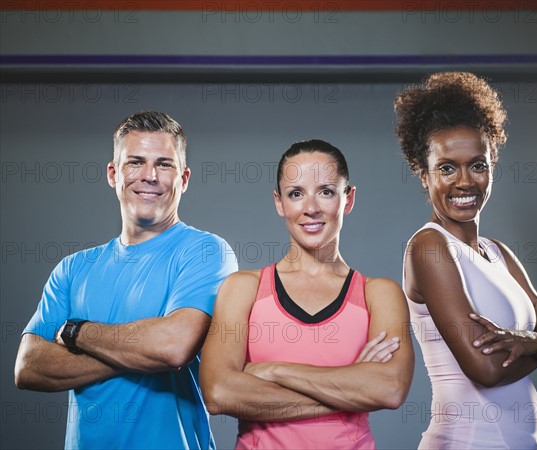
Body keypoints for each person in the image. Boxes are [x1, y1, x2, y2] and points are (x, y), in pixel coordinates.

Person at [14, 111, 238, 449]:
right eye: (135, 162)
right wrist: (140, 350)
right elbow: (29, 368)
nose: (149, 176)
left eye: (164, 164)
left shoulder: (206, 252)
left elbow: (174, 347)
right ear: (113, 173)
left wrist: (77, 332)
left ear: (185, 178)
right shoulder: (73, 268)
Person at [394, 72, 537, 449]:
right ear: (422, 174)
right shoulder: (430, 247)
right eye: (447, 168)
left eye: (477, 165)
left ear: (492, 165)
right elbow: (486, 371)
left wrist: (532, 342)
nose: (464, 181)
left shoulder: (500, 255)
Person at [200, 139, 414, 449]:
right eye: (296, 194)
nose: (311, 208)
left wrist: (274, 371)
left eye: (326, 191)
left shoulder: (378, 294)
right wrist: (351, 385)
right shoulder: (243, 288)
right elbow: (219, 393)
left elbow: (389, 389)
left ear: (348, 198)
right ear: (279, 203)